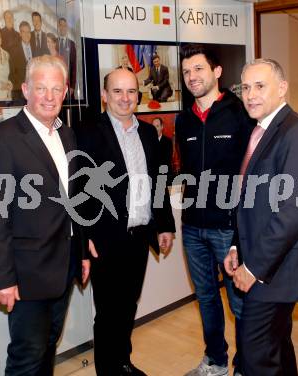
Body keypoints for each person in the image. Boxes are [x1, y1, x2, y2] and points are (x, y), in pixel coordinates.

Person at [0, 55, 90, 375]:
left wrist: (81, 252)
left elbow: (74, 201)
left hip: (64, 263)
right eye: (42, 88)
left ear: (66, 91)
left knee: (48, 346)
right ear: (26, 89)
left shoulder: (67, 135)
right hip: (27, 271)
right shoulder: (3, 138)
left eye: (57, 89)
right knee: (27, 356)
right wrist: (2, 277)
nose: (50, 96)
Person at [224, 58, 298, 376]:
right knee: (276, 348)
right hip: (263, 262)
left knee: (256, 357)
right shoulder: (261, 131)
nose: (250, 94)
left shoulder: (297, 131)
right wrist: (237, 248)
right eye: (246, 87)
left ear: (282, 89)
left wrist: (253, 268)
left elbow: (294, 211)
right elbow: (251, 201)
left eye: (260, 86)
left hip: (276, 271)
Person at [79, 68, 175, 376]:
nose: (125, 98)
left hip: (139, 236)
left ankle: (123, 362)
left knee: (128, 306)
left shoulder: (148, 133)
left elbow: (158, 182)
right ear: (104, 96)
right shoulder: (87, 132)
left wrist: (165, 225)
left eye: (131, 91)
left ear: (139, 95)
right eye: (117, 91)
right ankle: (108, 370)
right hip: (105, 238)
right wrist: (85, 235)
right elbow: (77, 187)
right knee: (108, 312)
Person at [176, 44, 254, 376]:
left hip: (228, 227)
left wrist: (241, 230)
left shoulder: (240, 114)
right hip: (193, 227)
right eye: (186, 71)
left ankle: (245, 366)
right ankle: (216, 360)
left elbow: (250, 175)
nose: (192, 77)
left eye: (198, 69)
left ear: (217, 71)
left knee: (239, 304)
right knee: (206, 299)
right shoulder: (183, 120)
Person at [9, 21, 33, 101]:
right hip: (19, 92)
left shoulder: (36, 48)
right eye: (23, 32)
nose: (26, 34)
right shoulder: (13, 50)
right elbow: (11, 73)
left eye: (28, 32)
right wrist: (21, 87)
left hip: (34, 91)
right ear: (20, 33)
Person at [57, 17, 77, 96]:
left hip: (68, 84)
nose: (62, 28)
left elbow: (74, 66)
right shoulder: (54, 42)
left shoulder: (71, 44)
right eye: (61, 25)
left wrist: (72, 86)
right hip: (57, 82)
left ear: (67, 28)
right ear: (58, 27)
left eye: (64, 26)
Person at [152, 117, 173, 186]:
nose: (155, 129)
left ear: (162, 127)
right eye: (153, 126)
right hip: (153, 178)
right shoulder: (149, 142)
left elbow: (167, 160)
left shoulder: (168, 141)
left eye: (157, 126)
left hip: (166, 177)